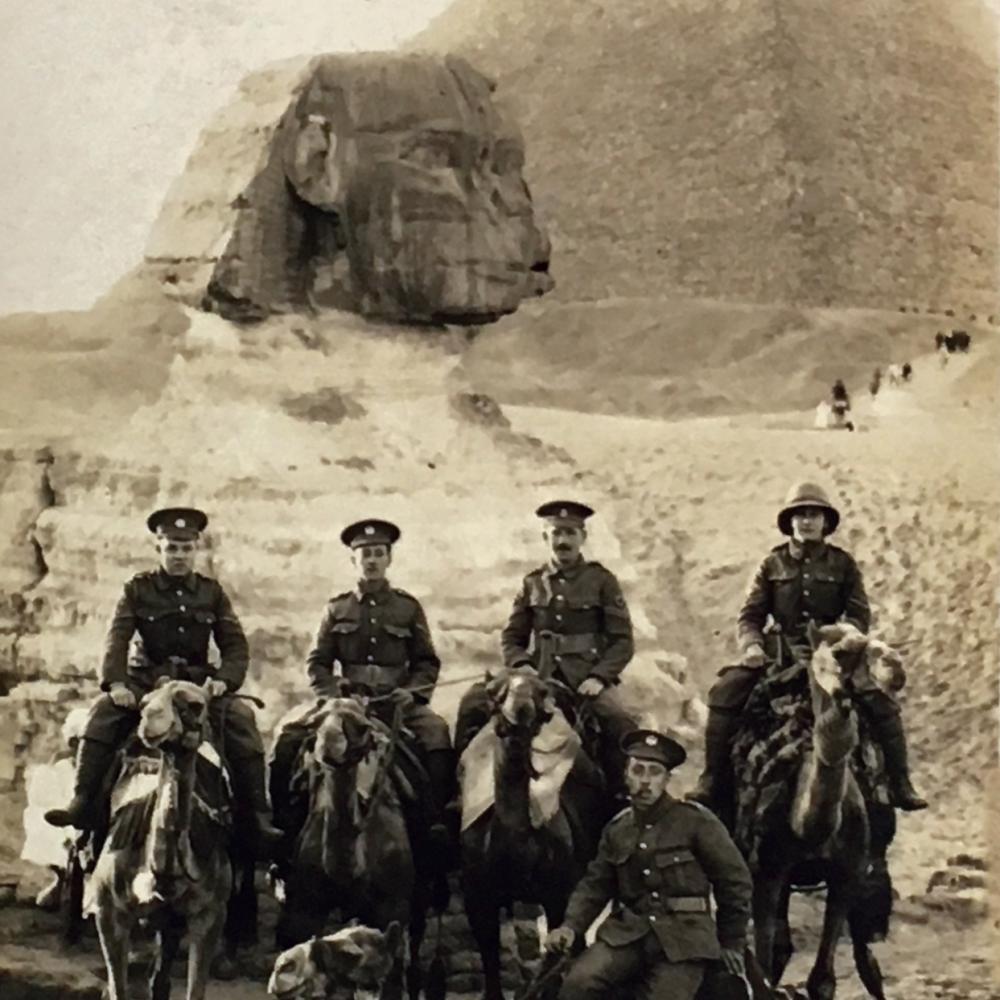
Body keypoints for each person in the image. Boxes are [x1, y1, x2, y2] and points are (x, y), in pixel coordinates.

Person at [44, 508, 281, 846]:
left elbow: (235, 646)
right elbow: (118, 638)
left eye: (186, 548)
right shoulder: (138, 589)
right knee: (100, 715)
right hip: (145, 683)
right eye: (172, 548)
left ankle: (256, 817)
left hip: (195, 686)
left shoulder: (211, 593)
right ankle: (83, 803)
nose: (180, 555)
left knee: (242, 721)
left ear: (196, 550)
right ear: (159, 548)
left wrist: (224, 681)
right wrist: (117, 684)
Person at [690, 483, 927, 812]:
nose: (806, 521)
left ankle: (900, 782)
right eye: (799, 515)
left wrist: (844, 642)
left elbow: (858, 615)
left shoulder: (843, 564)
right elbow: (750, 616)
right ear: (789, 521)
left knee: (880, 702)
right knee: (724, 693)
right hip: (780, 656)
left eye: (813, 515)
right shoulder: (772, 564)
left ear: (825, 522)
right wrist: (753, 646)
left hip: (833, 655)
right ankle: (712, 779)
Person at [269, 519, 454, 849]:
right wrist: (332, 694)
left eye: (378, 553)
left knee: (437, 735)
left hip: (395, 703)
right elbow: (317, 662)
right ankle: (282, 831)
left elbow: (426, 661)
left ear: (389, 559)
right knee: (288, 737)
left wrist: (411, 695)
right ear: (353, 560)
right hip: (344, 703)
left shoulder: (407, 608)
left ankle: (435, 827)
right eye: (365, 554)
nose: (371, 560)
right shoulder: (337, 608)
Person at [544, 729, 752, 1000]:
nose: (645, 781)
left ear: (666, 779)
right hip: (627, 935)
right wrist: (571, 926)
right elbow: (595, 885)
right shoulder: (618, 829)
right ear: (626, 776)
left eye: (654, 772)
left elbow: (735, 881)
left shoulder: (696, 822)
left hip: (685, 940)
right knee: (577, 985)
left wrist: (731, 942)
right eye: (638, 770)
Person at [454, 501, 637, 802]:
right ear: (545, 537)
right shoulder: (532, 582)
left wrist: (599, 678)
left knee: (618, 722)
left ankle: (619, 800)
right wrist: (522, 664)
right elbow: (512, 637)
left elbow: (622, 641)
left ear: (583, 537)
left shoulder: (602, 581)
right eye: (556, 533)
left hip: (583, 680)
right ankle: (460, 793)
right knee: (473, 703)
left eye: (570, 533)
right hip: (536, 677)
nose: (563, 541)